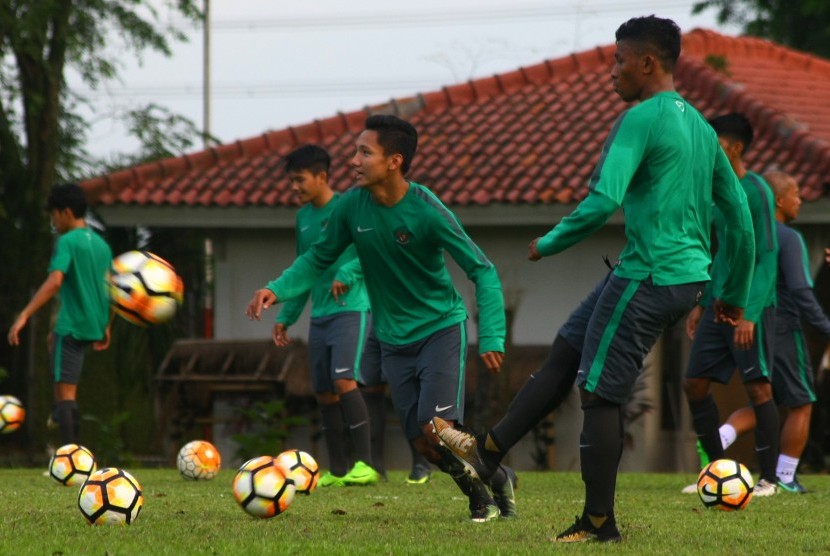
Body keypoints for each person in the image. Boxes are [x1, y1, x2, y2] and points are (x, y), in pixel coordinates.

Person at [433, 15, 755, 542]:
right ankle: (488, 453)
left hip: (647, 276)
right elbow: (738, 219)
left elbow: (602, 200)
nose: (612, 71)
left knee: (600, 394)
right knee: (568, 348)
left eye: (619, 60)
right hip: (683, 280)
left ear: (647, 63)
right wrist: (733, 294)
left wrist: (549, 242)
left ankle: (599, 523)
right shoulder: (699, 125)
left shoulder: (641, 118)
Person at [247, 115, 515, 522]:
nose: (353, 160)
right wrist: (276, 288)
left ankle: (482, 502)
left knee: (438, 430)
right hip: (393, 340)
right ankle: (500, 477)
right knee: (425, 445)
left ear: (395, 161)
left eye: (364, 152)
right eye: (355, 150)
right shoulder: (351, 207)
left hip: (441, 329)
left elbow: (483, 270)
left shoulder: (426, 210)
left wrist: (492, 335)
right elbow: (318, 257)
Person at [683, 171, 830, 494]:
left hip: (750, 321)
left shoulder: (745, 231)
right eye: (796, 194)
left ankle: (720, 438)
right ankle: (784, 478)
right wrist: (825, 328)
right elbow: (801, 292)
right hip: (783, 327)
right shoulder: (788, 238)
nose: (800, 200)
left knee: (767, 398)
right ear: (778, 200)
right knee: (801, 402)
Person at [682, 113, 781, 497]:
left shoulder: (757, 191)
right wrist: (701, 303)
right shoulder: (714, 191)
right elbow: (719, 253)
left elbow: (767, 256)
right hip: (717, 306)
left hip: (748, 310)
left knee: (757, 389)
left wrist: (750, 313)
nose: (709, 151)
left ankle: (770, 479)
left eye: (716, 143)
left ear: (735, 148)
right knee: (694, 384)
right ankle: (714, 471)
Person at [272, 144, 379, 486]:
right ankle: (338, 471)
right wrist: (286, 316)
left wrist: (347, 272)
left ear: (322, 177)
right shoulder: (302, 218)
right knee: (324, 392)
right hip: (319, 315)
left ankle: (366, 465)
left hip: (352, 310)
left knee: (344, 379)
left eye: (300, 180)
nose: (295, 187)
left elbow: (373, 251)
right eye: (291, 181)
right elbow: (304, 270)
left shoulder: (347, 208)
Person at [7, 183, 113, 445]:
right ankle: (62, 422)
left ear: (66, 212)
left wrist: (24, 314)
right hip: (93, 325)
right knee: (57, 360)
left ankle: (69, 459)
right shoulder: (101, 244)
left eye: (53, 214)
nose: (53, 220)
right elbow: (110, 288)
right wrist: (107, 326)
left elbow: (55, 281)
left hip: (72, 326)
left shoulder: (66, 241)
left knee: (65, 395)